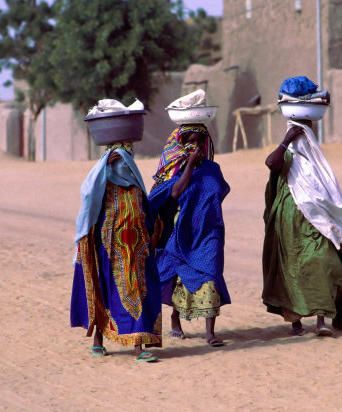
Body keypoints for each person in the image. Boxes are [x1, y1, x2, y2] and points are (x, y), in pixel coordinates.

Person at [262, 117, 342, 336]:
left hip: (317, 225)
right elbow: (270, 163)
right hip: (288, 226)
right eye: (299, 133)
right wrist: (286, 140)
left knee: (323, 264)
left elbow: (330, 195)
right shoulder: (287, 157)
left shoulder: (316, 163)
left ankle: (322, 320)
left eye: (305, 133)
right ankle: (296, 322)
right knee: (291, 270)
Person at [70, 141, 162, 362]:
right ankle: (98, 340)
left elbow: (151, 218)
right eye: (116, 160)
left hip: (137, 254)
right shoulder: (102, 184)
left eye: (125, 160)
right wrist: (102, 167)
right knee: (104, 291)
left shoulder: (137, 188)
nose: (121, 165)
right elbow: (88, 200)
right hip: (108, 252)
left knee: (138, 293)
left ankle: (138, 348)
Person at [148, 124, 231, 347]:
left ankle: (210, 332)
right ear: (183, 144)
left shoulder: (214, 168)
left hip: (210, 232)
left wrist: (205, 210)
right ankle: (176, 319)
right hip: (182, 232)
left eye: (200, 142)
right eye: (191, 142)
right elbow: (174, 193)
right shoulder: (176, 169)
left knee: (211, 273)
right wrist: (191, 165)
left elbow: (220, 191)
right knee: (180, 277)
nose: (197, 146)